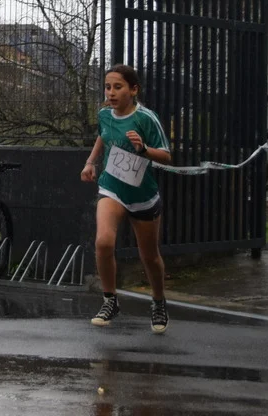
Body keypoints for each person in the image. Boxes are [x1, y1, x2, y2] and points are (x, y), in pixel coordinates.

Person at [81, 64, 172, 334]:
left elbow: (166, 156)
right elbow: (103, 136)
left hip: (142, 195)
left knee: (149, 256)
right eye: (107, 87)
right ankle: (110, 300)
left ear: (133, 90)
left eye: (117, 87)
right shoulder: (104, 114)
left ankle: (158, 301)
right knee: (103, 242)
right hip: (112, 188)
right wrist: (90, 162)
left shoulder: (146, 119)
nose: (110, 93)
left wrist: (143, 149)